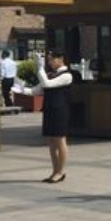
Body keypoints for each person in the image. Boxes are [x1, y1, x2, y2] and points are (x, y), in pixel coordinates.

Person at [12, 50, 72, 183]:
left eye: (51, 59)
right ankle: (55, 170)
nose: (49, 62)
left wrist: (39, 68)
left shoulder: (67, 75)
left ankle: (61, 171)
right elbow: (36, 90)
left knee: (60, 140)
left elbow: (47, 84)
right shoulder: (50, 74)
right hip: (49, 109)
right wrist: (21, 89)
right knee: (51, 142)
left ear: (60, 59)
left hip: (60, 110)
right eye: (48, 60)